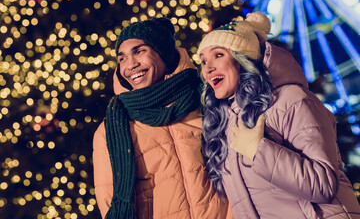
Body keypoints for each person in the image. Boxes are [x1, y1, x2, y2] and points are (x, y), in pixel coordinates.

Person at [197, 12, 360, 218]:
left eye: (218, 55)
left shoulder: (291, 100)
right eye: (203, 61)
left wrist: (259, 151)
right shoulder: (226, 123)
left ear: (243, 58)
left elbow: (323, 184)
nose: (208, 69)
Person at [92, 17, 233, 219]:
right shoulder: (111, 130)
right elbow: (110, 202)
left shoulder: (207, 100)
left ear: (164, 55)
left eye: (139, 51)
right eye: (122, 58)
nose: (130, 65)